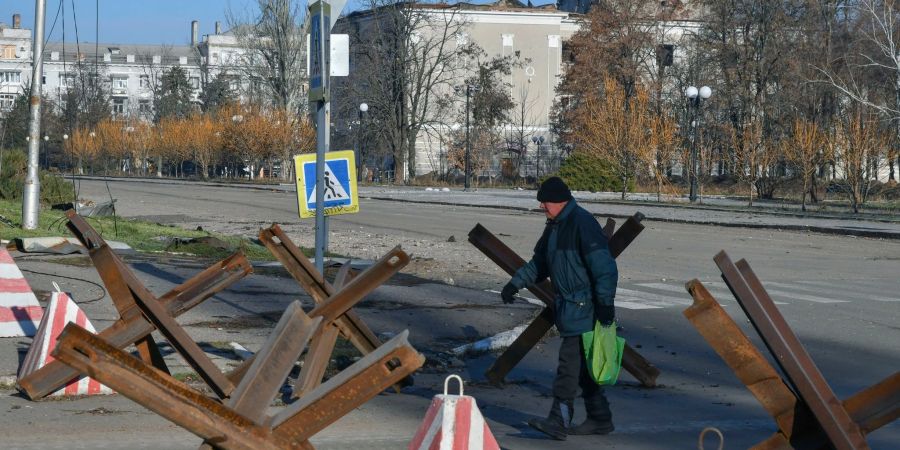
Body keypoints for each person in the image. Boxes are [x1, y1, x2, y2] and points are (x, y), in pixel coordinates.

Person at [500, 176, 617, 440]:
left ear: (560, 201)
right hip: (569, 307)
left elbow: (605, 268)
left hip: (585, 307)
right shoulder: (554, 227)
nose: (542, 207)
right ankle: (600, 418)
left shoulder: (582, 224)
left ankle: (558, 420)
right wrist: (514, 284)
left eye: (545, 203)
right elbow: (539, 262)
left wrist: (605, 305)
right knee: (584, 369)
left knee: (568, 367)